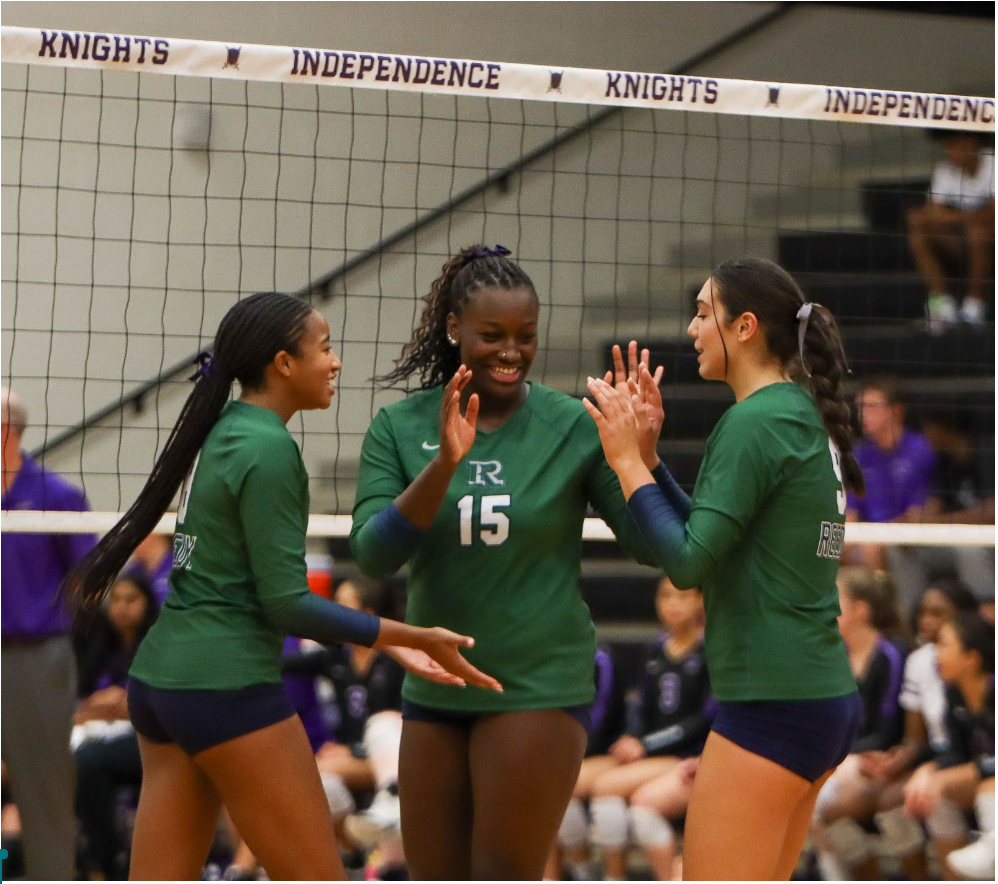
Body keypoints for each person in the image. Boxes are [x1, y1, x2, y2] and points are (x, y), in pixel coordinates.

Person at [62, 291, 501, 881]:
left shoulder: (225, 427)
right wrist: (406, 635)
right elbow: (286, 604)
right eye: (325, 348)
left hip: (161, 687)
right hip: (226, 688)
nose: (337, 361)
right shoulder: (269, 448)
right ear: (283, 363)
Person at [350, 245, 664, 880]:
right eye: (492, 335)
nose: (511, 352)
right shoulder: (400, 426)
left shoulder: (569, 425)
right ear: (452, 329)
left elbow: (652, 547)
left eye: (526, 336)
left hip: (535, 686)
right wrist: (443, 465)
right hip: (436, 687)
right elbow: (374, 555)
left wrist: (642, 457)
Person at [583, 256, 863, 880]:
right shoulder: (794, 412)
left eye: (703, 313)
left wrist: (625, 460)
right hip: (814, 696)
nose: (690, 328)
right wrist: (651, 462)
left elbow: (686, 563)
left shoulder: (752, 423)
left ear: (744, 328)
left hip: (773, 704)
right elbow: (711, 541)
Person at [1, 385, 97, 880]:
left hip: (34, 657)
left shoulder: (54, 495)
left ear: (6, 432)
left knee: (43, 789)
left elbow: (89, 576)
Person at [855, 576, 981, 880]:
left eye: (939, 613)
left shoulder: (980, 677)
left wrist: (935, 772)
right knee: (901, 799)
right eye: (924, 612)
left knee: (934, 791)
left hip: (972, 763)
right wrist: (900, 758)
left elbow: (977, 741)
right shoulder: (924, 662)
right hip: (946, 759)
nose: (927, 621)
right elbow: (919, 739)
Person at [586, 577, 711, 882]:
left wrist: (646, 745)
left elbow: (703, 720)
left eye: (682, 597)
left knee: (610, 790)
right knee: (570, 783)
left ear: (701, 602)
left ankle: (623, 876)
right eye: (666, 597)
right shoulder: (654, 649)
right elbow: (640, 706)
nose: (673, 605)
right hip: (651, 753)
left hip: (687, 756)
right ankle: (589, 872)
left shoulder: (710, 651)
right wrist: (631, 736)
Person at [808, 567, 906, 880]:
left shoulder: (891, 654)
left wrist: (839, 755)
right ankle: (837, 871)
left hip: (881, 757)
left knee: (813, 798)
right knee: (800, 793)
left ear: (861, 610)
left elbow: (888, 731)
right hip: (845, 757)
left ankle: (832, 872)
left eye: (833, 600)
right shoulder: (833, 654)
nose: (825, 607)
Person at [73, 572, 159, 880]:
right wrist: (92, 709)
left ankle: (104, 863)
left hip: (146, 739)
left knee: (86, 762)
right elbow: (79, 706)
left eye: (131, 599)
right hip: (95, 733)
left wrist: (124, 706)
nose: (121, 607)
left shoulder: (158, 647)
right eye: (116, 599)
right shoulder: (96, 647)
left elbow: (161, 709)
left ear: (148, 604)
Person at [904, 611, 995, 879]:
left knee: (988, 789)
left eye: (943, 645)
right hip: (986, 774)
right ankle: (953, 876)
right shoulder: (955, 693)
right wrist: (928, 770)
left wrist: (965, 773)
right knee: (933, 793)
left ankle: (992, 855)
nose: (935, 655)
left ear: (971, 657)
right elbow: (953, 753)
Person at [845, 377, 937, 612]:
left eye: (872, 407)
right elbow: (851, 515)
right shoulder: (859, 454)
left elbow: (917, 516)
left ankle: (890, 618)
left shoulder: (919, 450)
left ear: (896, 411)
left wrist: (877, 538)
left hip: (910, 539)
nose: (863, 415)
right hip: (868, 540)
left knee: (881, 549)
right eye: (860, 408)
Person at [908, 130, 995, 330]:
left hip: (990, 244)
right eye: (948, 147)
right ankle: (943, 305)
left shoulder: (993, 163)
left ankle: (975, 307)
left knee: (979, 231)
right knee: (920, 233)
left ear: (972, 144)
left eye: (955, 145)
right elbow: (931, 212)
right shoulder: (945, 170)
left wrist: (954, 217)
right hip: (962, 243)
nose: (950, 152)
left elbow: (993, 214)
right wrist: (971, 217)